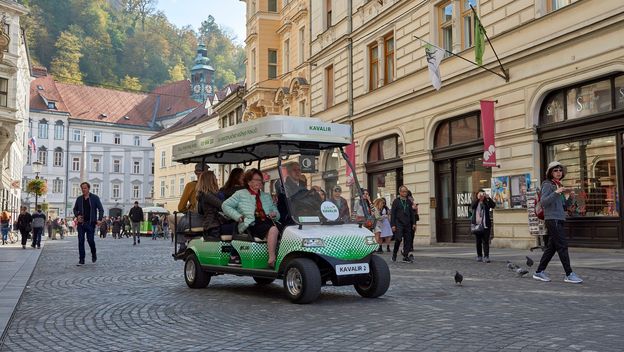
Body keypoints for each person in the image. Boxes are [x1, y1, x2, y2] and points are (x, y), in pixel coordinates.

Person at [533, 161, 583, 284]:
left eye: (560, 170)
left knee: (552, 248)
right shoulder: (547, 184)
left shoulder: (558, 184)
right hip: (552, 219)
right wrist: (557, 192)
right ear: (550, 172)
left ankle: (539, 272)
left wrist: (570, 197)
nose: (558, 172)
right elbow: (544, 202)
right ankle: (569, 274)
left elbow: (564, 206)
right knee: (562, 246)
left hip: (559, 219)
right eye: (555, 170)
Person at [222, 169, 281, 268]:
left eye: (260, 180)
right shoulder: (240, 194)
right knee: (274, 229)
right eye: (256, 180)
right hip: (251, 223)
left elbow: (277, 212)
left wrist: (275, 214)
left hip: (267, 221)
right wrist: (238, 216)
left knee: (286, 229)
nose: (259, 182)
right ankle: (272, 258)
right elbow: (225, 205)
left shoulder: (266, 196)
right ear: (249, 182)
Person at [73, 182, 104, 266]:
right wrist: (77, 215)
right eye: (82, 188)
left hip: (91, 223)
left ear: (88, 188)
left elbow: (101, 209)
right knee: (81, 241)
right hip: (81, 224)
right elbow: (75, 209)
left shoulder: (94, 198)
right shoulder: (79, 199)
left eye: (85, 188)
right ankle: (81, 259)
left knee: (90, 240)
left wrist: (100, 219)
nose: (83, 190)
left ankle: (93, 253)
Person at [391, 186, 416, 263]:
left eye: (406, 191)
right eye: (403, 191)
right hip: (399, 223)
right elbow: (393, 214)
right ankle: (394, 253)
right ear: (400, 192)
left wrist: (414, 223)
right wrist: (393, 225)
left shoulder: (409, 201)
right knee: (398, 239)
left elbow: (412, 213)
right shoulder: (396, 201)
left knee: (408, 240)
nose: (405, 193)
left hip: (407, 223)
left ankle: (405, 255)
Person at [471, 189, 496, 263]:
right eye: (480, 194)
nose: (481, 196)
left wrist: (488, 198)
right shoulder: (476, 202)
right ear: (477, 195)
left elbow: (493, 205)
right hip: (477, 225)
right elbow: (472, 206)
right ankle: (479, 256)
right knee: (478, 242)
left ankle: (486, 256)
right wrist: (478, 199)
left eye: (482, 194)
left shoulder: (486, 202)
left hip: (485, 225)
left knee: (486, 241)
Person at [196, 170, 223, 238]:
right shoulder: (207, 195)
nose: (217, 179)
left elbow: (200, 211)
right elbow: (222, 205)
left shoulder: (202, 195)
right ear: (211, 181)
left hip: (209, 225)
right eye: (215, 178)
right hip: (213, 225)